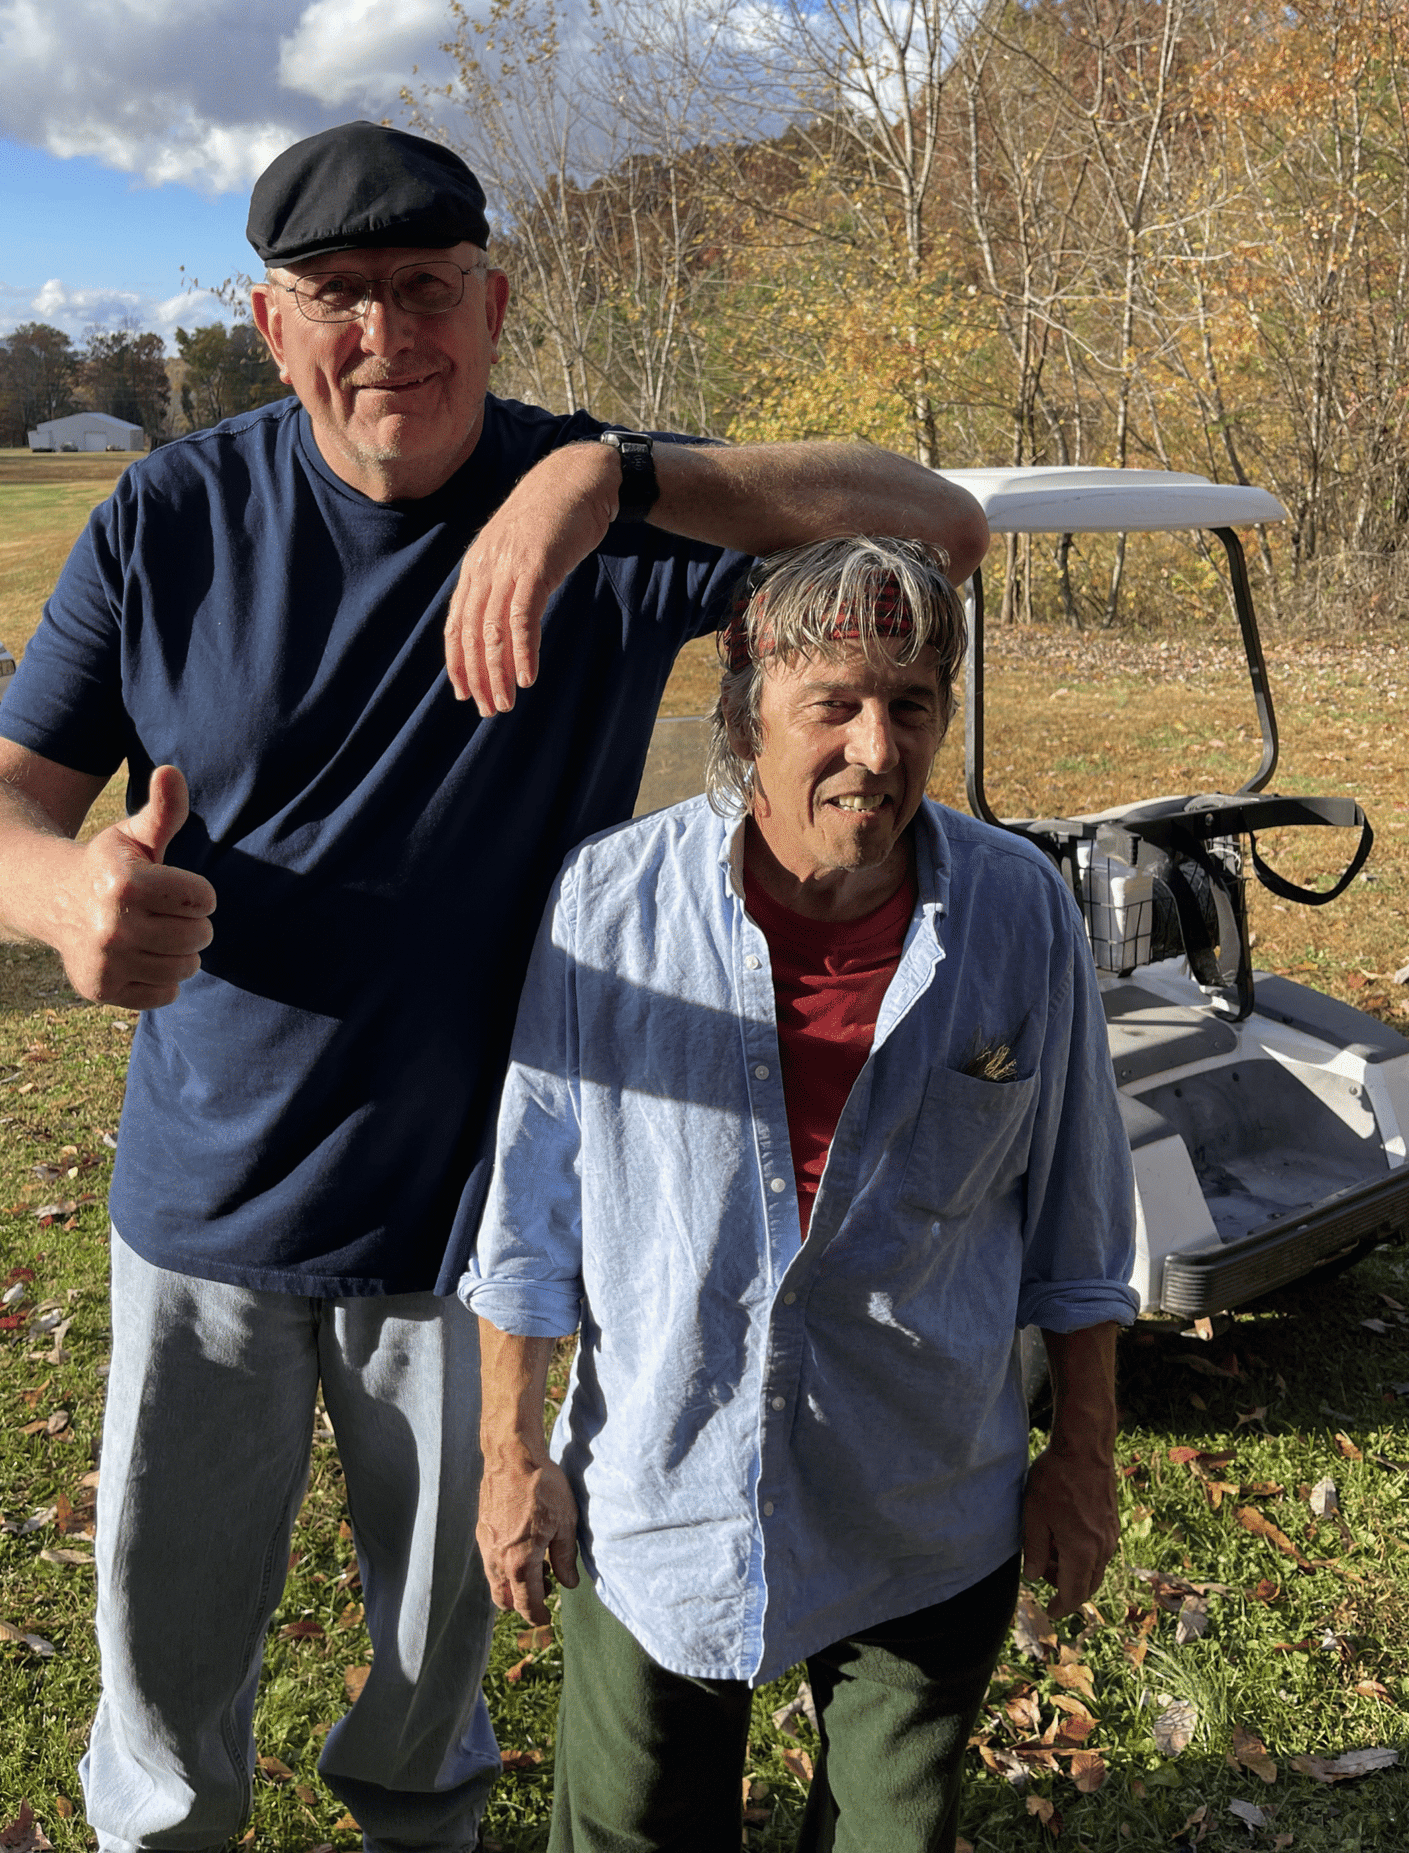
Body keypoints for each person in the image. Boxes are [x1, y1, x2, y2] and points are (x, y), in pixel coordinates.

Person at [0, 124, 989, 1853]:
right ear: (272, 329)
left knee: (433, 1711)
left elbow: (933, 532)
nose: (384, 335)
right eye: (334, 296)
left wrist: (603, 485)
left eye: (426, 290)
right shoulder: (174, 515)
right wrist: (63, 896)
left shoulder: (600, 514)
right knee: (166, 1699)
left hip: (479, 1238)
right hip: (203, 1221)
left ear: (491, 307)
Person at [463, 535, 1139, 1853]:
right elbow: (532, 1214)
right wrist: (512, 1455)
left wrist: (1086, 1457)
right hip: (658, 1494)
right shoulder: (613, 906)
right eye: (834, 703)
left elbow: (1078, 1222)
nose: (877, 750)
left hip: (921, 1503)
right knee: (631, 1831)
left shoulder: (1018, 916)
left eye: (913, 705)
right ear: (748, 711)